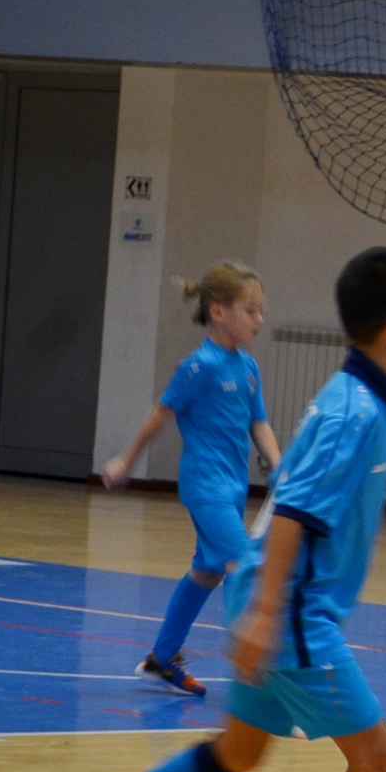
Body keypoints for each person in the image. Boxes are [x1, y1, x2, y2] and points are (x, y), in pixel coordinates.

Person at [55, 247, 386, 772]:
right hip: (291, 611)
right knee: (376, 758)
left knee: (239, 753)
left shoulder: (364, 396)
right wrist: (265, 617)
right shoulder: (355, 410)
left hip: (279, 601)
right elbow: (293, 511)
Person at [102, 263, 282, 697]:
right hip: (206, 486)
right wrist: (127, 461)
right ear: (218, 312)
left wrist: (279, 466)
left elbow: (258, 422)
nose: (259, 319)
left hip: (233, 487)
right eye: (250, 310)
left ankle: (162, 661)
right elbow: (160, 413)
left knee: (207, 572)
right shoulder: (199, 366)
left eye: (261, 310)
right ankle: (256, 684)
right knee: (243, 569)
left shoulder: (249, 367)